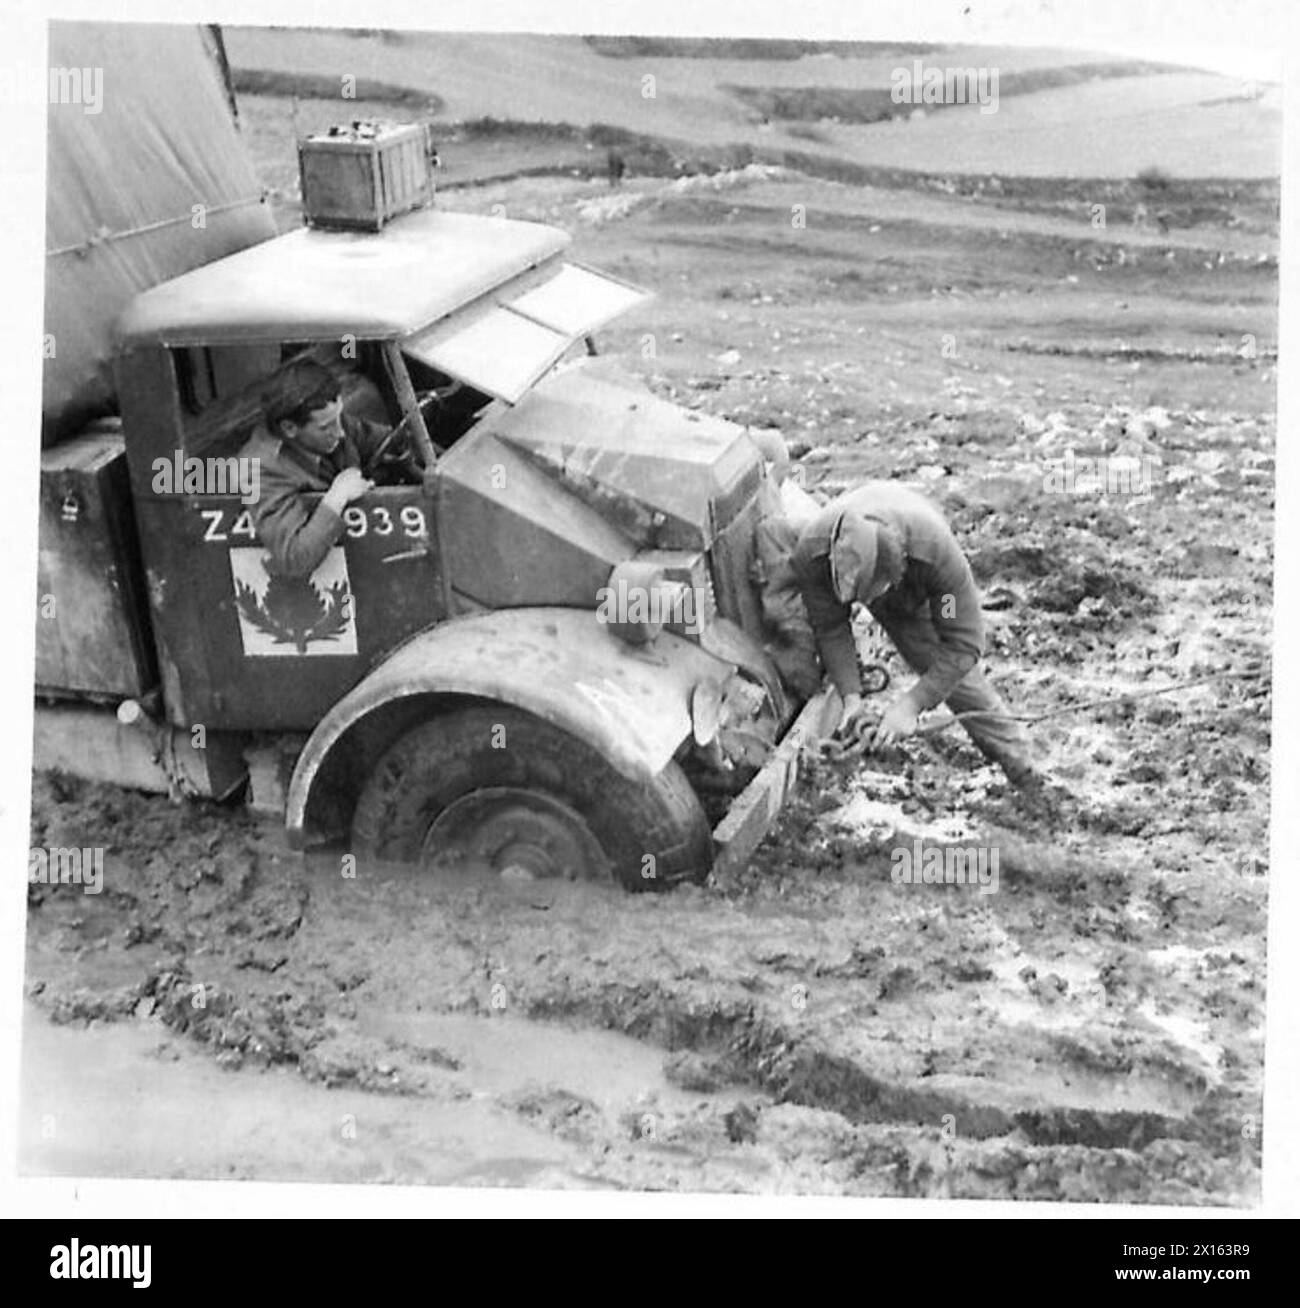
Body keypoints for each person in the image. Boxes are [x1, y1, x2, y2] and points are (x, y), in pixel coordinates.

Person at [791, 480, 1038, 787]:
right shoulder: (814, 554)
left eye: (871, 597)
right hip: (861, 553)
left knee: (943, 661)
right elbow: (830, 627)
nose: (866, 606)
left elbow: (964, 645)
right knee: (833, 632)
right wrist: (851, 698)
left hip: (926, 593)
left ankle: (1020, 764)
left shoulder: (935, 558)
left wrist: (911, 705)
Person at [241, 358, 413, 578]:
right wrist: (337, 496)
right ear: (289, 428)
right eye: (326, 427)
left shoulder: (331, 425)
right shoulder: (259, 470)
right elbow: (294, 558)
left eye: (339, 418)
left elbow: (383, 440)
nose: (340, 433)